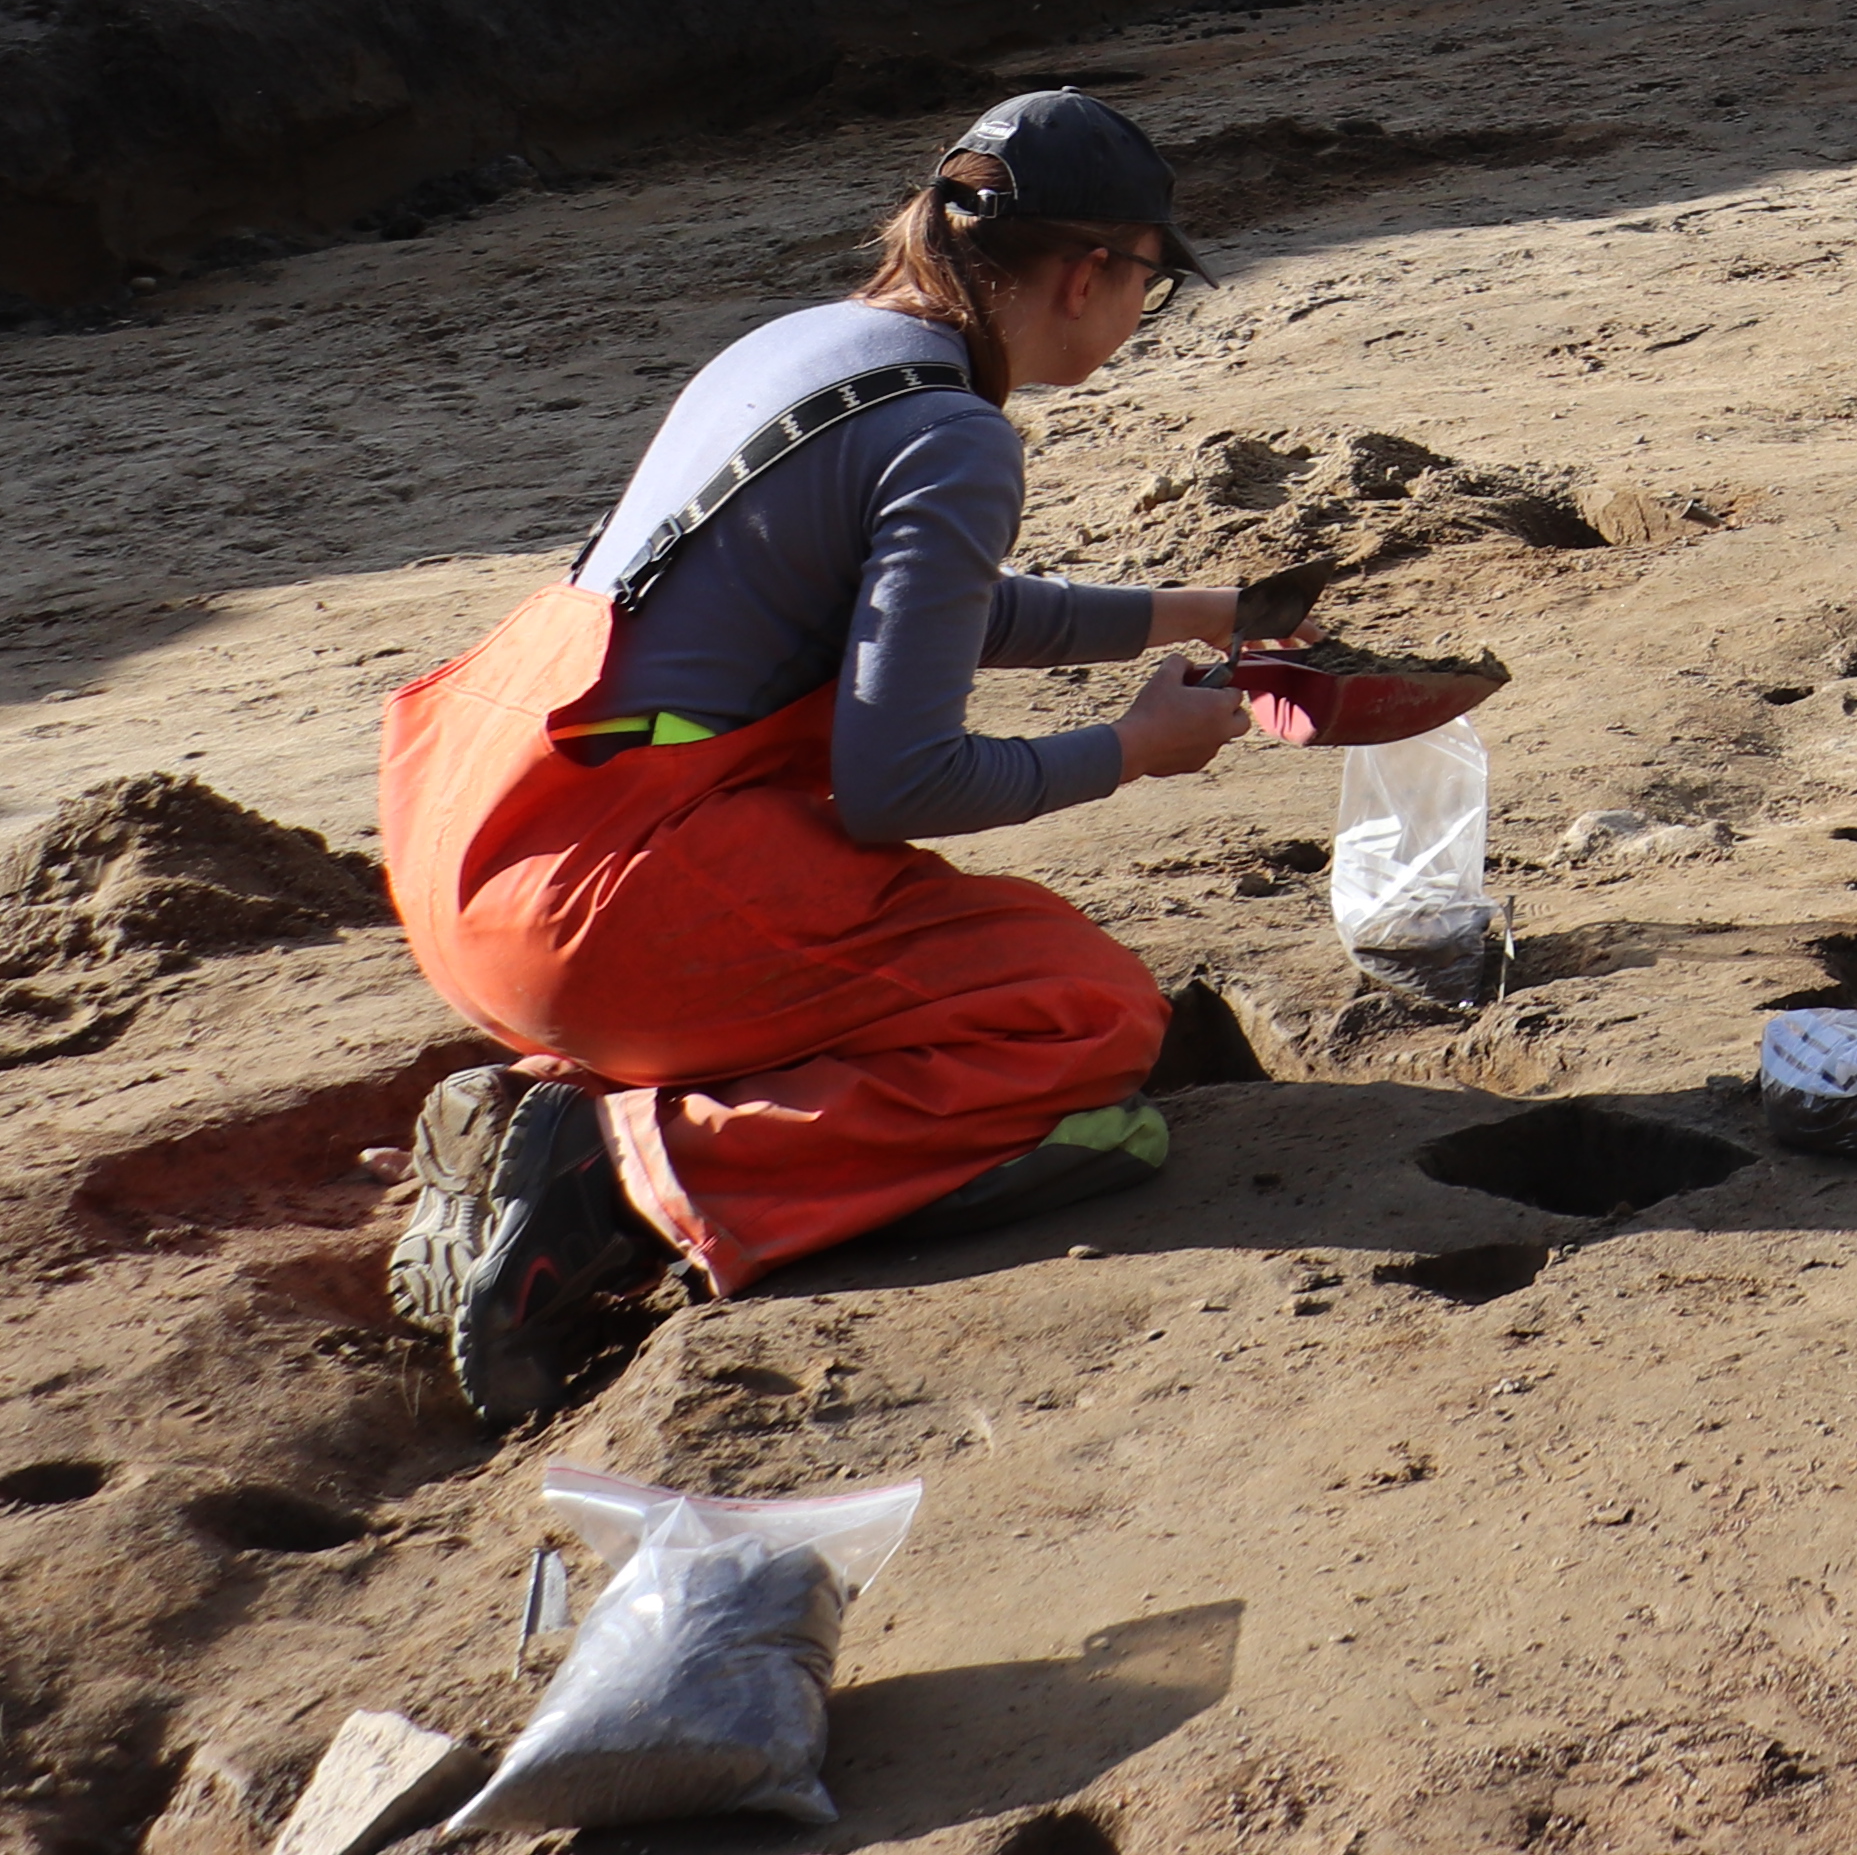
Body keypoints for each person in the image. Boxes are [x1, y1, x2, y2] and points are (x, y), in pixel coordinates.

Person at [377, 92, 1300, 1425]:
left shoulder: (810, 346)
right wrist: (1131, 752)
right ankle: (635, 1180)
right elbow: (898, 781)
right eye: (1150, 281)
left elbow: (929, 616)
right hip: (609, 900)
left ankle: (544, 1098)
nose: (1140, 313)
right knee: (1084, 1013)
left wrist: (1198, 614)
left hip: (474, 840)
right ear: (1093, 269)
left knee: (923, 970)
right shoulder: (958, 434)